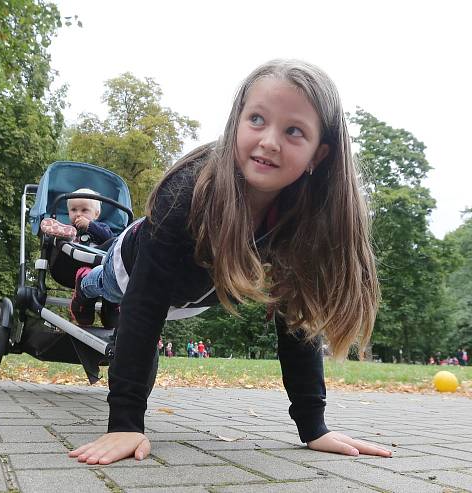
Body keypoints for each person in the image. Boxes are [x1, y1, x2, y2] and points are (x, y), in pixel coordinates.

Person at [68, 60, 391, 465]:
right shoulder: (185, 192)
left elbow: (297, 321)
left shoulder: (303, 222)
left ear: (317, 154)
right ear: (236, 122)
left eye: (294, 131)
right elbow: (145, 304)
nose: (270, 141)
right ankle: (85, 284)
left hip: (199, 289)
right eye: (257, 119)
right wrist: (125, 423)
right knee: (105, 284)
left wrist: (314, 427)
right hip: (133, 265)